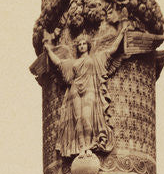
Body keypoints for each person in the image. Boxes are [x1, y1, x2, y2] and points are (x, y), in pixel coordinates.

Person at [43, 24, 126, 158]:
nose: (81, 46)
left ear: (88, 45)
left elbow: (113, 49)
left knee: (87, 118)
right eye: (79, 44)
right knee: (78, 119)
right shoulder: (73, 63)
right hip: (75, 90)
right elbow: (58, 63)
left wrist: (121, 33)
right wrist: (48, 50)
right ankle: (81, 148)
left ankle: (88, 145)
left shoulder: (96, 58)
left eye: (84, 44)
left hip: (90, 89)